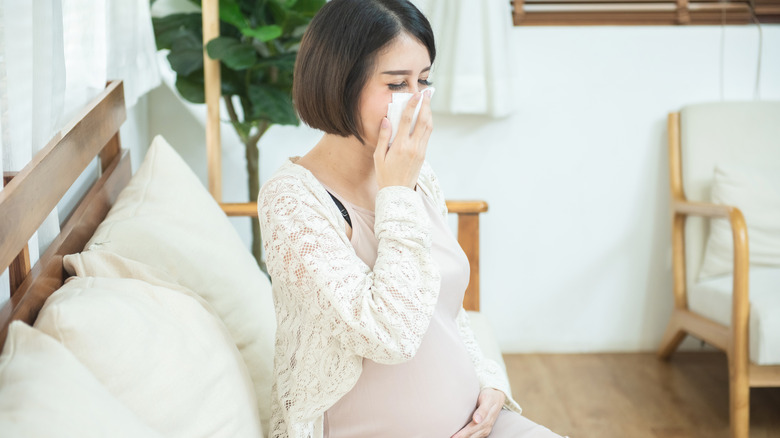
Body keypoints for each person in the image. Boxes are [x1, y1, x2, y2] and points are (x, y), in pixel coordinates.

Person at [258, 1, 566, 437]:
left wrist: (489, 380)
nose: (417, 101)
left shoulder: (419, 180)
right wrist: (396, 192)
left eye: (423, 81)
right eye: (397, 84)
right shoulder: (292, 200)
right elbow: (389, 336)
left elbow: (447, 312)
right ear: (339, 83)